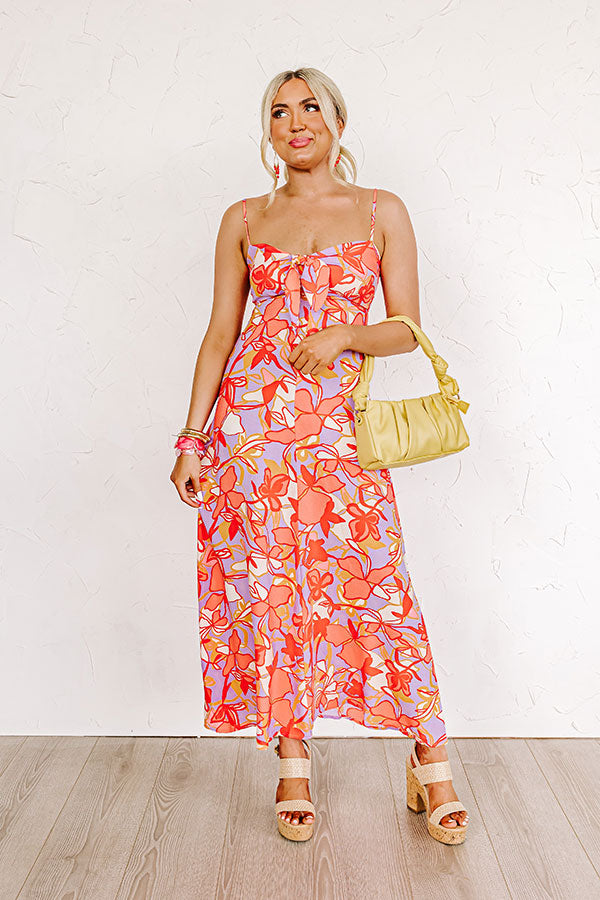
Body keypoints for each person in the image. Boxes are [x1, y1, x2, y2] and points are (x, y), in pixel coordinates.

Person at [170, 67, 469, 845]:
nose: (295, 121)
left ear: (337, 120)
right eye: (279, 111)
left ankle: (430, 756)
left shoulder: (381, 210)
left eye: (310, 107)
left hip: (339, 434)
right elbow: (220, 334)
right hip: (250, 441)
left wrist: (345, 335)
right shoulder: (244, 217)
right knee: (274, 594)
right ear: (267, 130)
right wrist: (192, 439)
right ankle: (292, 761)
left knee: (378, 585)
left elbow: (407, 329)